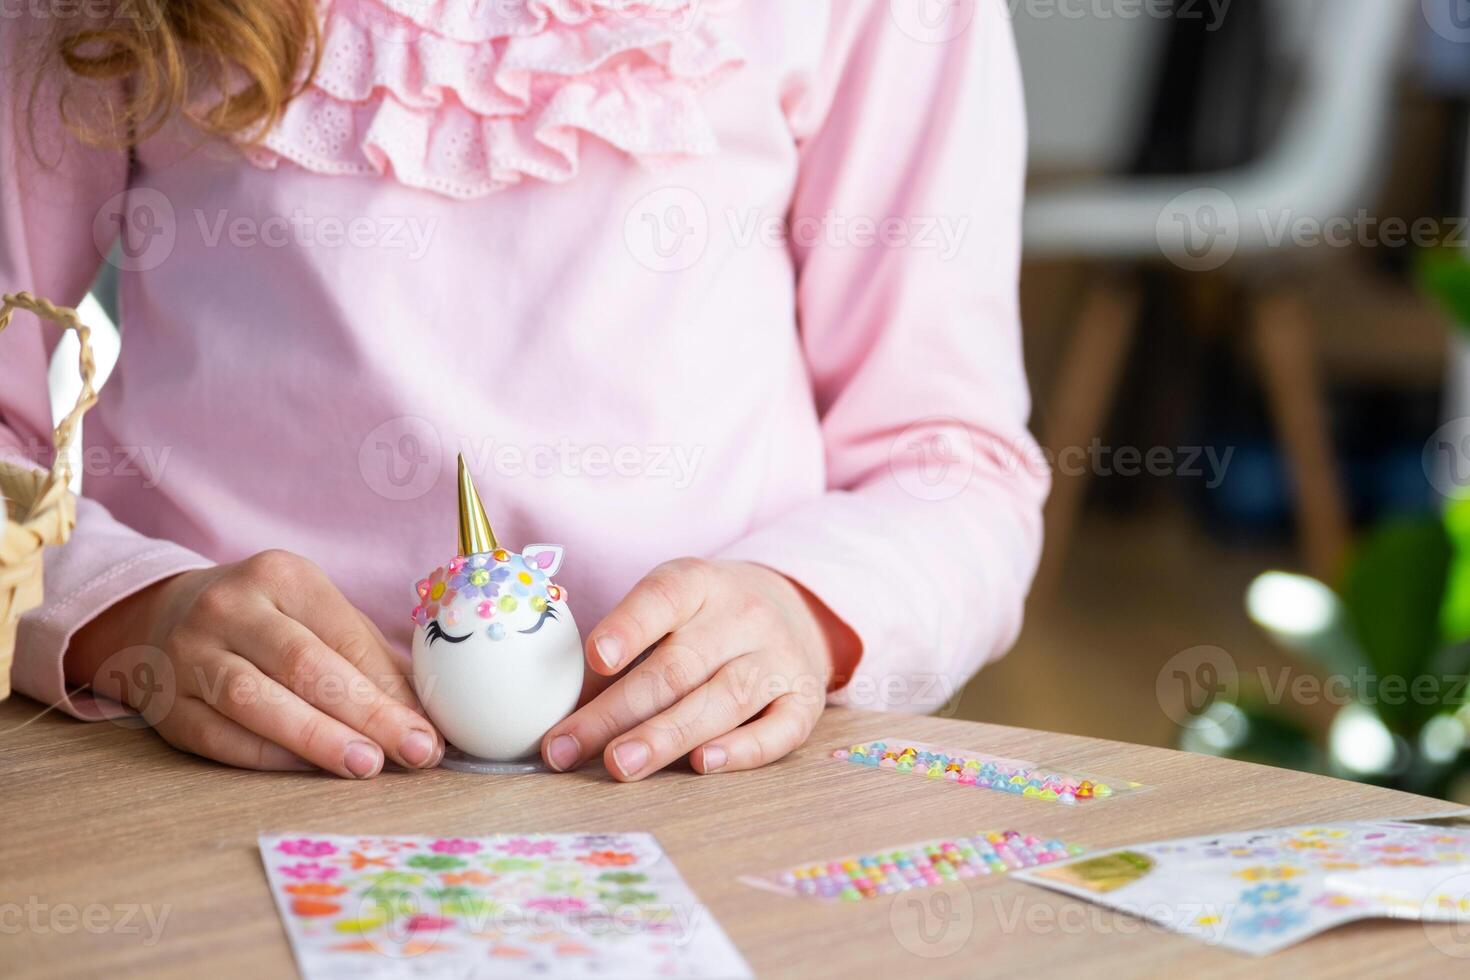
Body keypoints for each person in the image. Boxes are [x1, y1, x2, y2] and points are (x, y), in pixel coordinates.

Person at [0, 0, 1046, 780]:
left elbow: (952, 464)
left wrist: (801, 614)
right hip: (199, 772)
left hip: (713, 794)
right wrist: (123, 611)